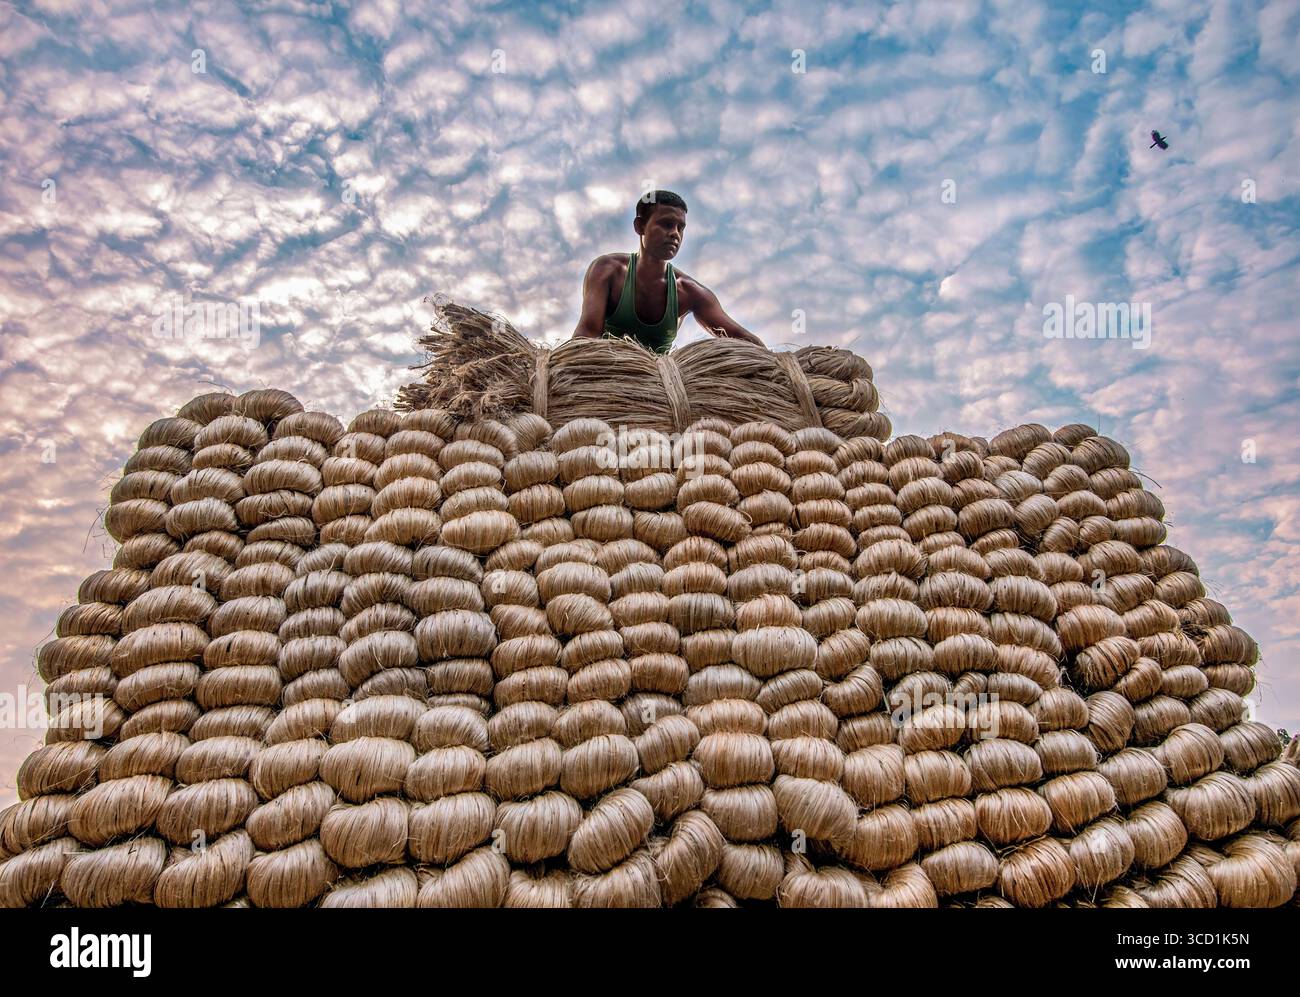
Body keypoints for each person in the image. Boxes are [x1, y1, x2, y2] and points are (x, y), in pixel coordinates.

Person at [570, 190, 765, 352]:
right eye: (666, 224)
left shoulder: (689, 292)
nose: (675, 233)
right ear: (640, 227)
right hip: (602, 378)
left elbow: (743, 338)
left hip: (657, 388)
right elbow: (587, 334)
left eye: (681, 227)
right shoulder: (607, 270)